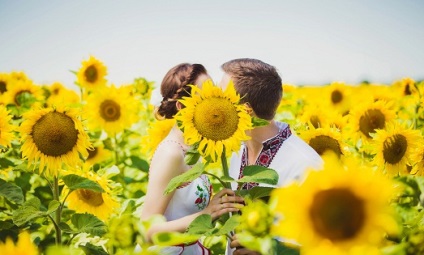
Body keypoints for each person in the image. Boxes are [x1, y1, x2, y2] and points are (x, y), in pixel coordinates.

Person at [218, 58, 323, 255]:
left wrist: (268, 250)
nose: (214, 105)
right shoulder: (236, 150)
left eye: (221, 99)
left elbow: (324, 245)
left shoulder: (306, 165)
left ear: (245, 111)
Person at [141, 63, 244, 255]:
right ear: (182, 107)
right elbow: (147, 232)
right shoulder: (171, 153)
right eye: (205, 96)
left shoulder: (190, 149)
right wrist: (206, 214)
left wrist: (219, 206)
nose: (214, 101)